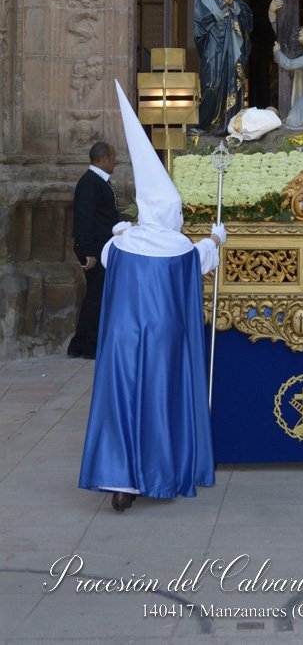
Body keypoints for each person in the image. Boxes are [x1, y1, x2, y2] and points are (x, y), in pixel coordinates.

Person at [79, 81, 224, 512]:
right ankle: (157, 475)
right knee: (157, 404)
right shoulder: (178, 247)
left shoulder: (122, 243)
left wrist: (122, 230)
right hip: (162, 339)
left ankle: (120, 481)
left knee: (122, 403)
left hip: (123, 339)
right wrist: (216, 238)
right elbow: (201, 259)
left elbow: (108, 255)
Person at [67, 141, 120, 360]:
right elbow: (84, 218)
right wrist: (87, 251)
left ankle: (79, 344)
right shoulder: (90, 182)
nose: (115, 161)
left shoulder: (98, 181)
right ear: (104, 159)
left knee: (95, 295)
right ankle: (91, 346)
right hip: (95, 250)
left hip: (100, 248)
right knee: (96, 297)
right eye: (113, 158)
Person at [194, 0, 253, 134]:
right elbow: (200, 20)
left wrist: (233, 5)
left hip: (229, 45)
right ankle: (205, 125)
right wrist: (222, 6)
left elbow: (247, 16)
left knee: (231, 81)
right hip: (212, 44)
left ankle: (229, 125)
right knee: (211, 83)